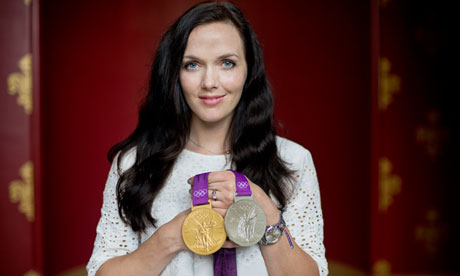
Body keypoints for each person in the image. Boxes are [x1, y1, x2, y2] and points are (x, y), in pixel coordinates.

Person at [87, 2, 327, 275]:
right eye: (192, 65)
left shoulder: (293, 161)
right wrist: (176, 234)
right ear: (174, 74)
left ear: (249, 70)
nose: (210, 81)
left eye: (227, 63)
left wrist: (265, 213)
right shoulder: (134, 162)